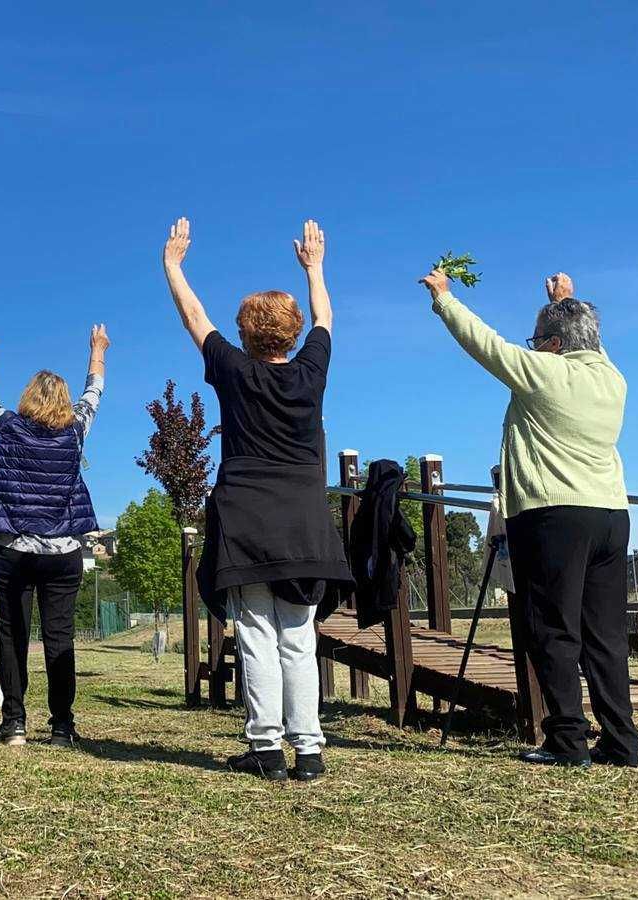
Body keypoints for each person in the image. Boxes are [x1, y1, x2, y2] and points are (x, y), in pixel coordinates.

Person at [421, 268, 638, 768]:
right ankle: (622, 741)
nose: (533, 345)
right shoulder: (612, 378)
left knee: (553, 629)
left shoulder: (545, 372)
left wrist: (444, 299)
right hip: (610, 513)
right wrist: (568, 299)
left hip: (553, 514)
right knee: (604, 633)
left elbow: (486, 345)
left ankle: (566, 739)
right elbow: (593, 344)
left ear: (555, 344)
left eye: (538, 339)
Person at [163, 217, 352, 782]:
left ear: (245, 334)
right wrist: (315, 267)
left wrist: (173, 265)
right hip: (303, 522)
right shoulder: (310, 373)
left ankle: (266, 750)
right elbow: (326, 318)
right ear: (290, 335)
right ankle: (310, 752)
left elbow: (196, 319)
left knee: (255, 635)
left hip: (246, 521)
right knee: (298, 636)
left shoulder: (233, 370)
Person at [0, 322, 108, 747]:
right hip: (64, 551)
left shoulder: (6, 428)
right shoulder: (75, 431)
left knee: (13, 635)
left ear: (27, 397)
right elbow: (94, 395)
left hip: (14, 549)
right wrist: (97, 351)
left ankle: (14, 723)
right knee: (59, 638)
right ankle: (62, 726)